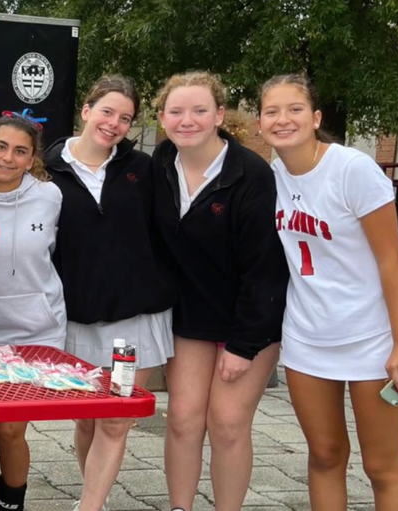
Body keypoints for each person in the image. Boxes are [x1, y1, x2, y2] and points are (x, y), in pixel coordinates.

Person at [259, 74, 398, 510]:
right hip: (307, 336)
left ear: (315, 118)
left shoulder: (352, 168)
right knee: (326, 455)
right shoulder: (270, 178)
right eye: (271, 111)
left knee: (382, 466)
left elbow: (393, 260)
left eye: (294, 109)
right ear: (259, 124)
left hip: (372, 335)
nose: (282, 119)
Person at [150, 71, 289, 511]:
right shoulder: (159, 163)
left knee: (227, 423)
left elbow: (265, 270)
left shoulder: (251, 175)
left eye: (199, 110)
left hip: (248, 321)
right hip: (191, 318)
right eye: (176, 111)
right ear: (163, 117)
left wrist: (244, 345)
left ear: (219, 116)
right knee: (183, 420)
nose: (186, 120)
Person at [41, 75, 176, 511]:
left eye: (125, 118)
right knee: (86, 420)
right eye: (107, 112)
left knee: (115, 421)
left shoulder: (144, 169)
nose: (114, 123)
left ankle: (90, 506)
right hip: (77, 320)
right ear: (86, 110)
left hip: (134, 322)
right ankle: (91, 493)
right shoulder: (46, 170)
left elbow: (170, 231)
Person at [0, 115, 64, 511]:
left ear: (31, 158)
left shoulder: (51, 197)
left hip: (37, 330)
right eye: (0, 147)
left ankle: (11, 502)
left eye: (20, 151)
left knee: (10, 428)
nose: (8, 157)